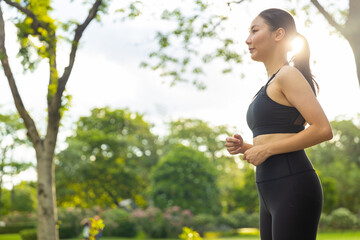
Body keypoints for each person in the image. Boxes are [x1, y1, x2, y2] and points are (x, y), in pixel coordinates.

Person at [225, 8, 333, 240]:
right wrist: (247, 148)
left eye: (255, 31)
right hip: (269, 189)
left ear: (278, 34)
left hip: (292, 185)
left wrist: (265, 149)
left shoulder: (288, 75)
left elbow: (323, 129)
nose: (248, 39)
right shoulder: (270, 84)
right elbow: (277, 139)